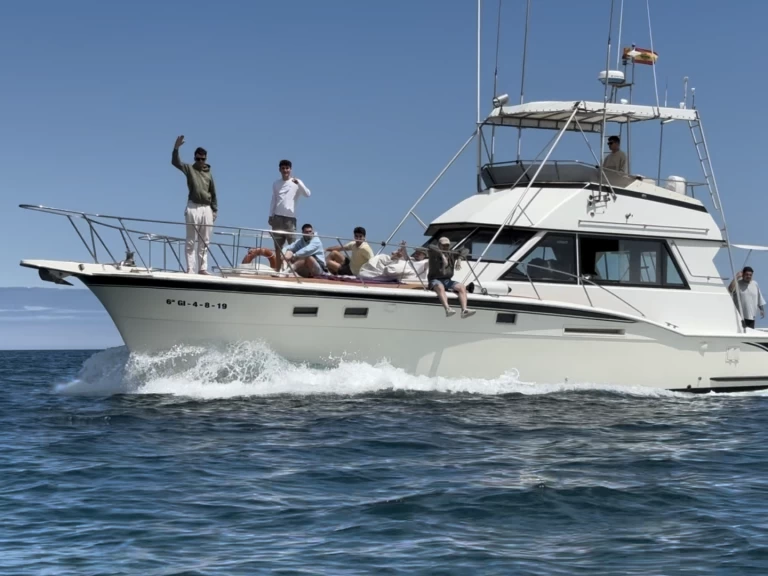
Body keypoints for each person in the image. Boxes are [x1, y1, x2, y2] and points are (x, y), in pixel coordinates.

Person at [172, 135, 218, 274]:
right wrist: (176, 148)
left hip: (206, 208)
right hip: (193, 206)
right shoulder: (189, 169)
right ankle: (190, 268)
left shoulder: (209, 174)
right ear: (194, 158)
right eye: (198, 159)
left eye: (202, 159)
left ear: (206, 159)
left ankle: (203, 268)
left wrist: (214, 210)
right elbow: (175, 162)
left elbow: (213, 192)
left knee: (205, 240)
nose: (200, 161)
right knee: (191, 239)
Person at [269, 159, 311, 271]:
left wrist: (299, 183)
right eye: (283, 168)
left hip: (290, 219)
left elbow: (307, 194)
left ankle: (293, 271)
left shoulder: (296, 182)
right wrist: (270, 215)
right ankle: (278, 270)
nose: (285, 170)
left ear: (290, 169)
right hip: (277, 218)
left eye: (287, 168)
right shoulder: (276, 183)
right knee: (277, 246)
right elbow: (274, 199)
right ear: (279, 169)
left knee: (293, 246)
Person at [427, 237, 475, 318]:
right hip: (435, 279)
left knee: (462, 287)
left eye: (447, 245)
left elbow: (466, 250)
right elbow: (430, 246)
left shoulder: (451, 253)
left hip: (447, 280)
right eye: (443, 245)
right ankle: (447, 309)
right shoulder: (433, 253)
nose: (445, 247)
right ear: (439, 245)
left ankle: (464, 310)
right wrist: (442, 255)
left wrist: (459, 259)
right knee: (440, 287)